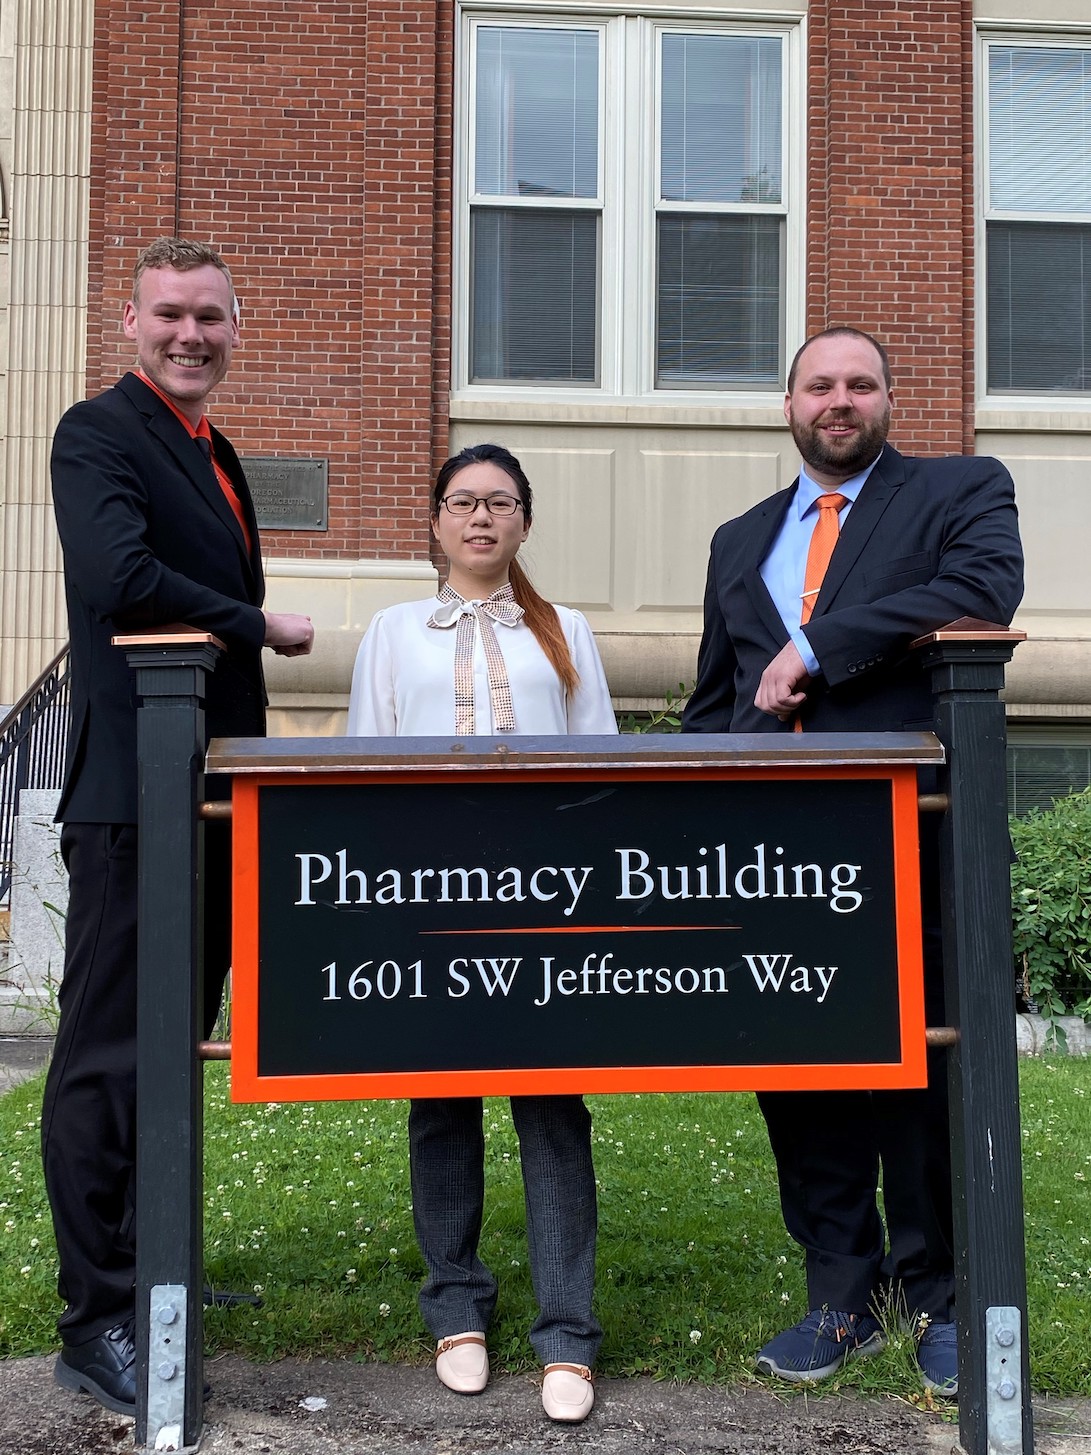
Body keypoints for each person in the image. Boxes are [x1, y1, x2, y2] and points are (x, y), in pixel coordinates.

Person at [682, 327, 1023, 1395]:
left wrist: (815, 646)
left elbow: (983, 589)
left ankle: (938, 1297)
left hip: (907, 834)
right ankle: (838, 1294)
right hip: (770, 854)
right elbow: (714, 700)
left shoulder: (959, 491)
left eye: (860, 384)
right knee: (797, 1065)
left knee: (919, 1066)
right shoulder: (738, 538)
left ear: (887, 399)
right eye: (818, 385)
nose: (839, 400)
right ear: (787, 404)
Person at [42, 238, 315, 1417]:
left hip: (206, 792)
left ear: (236, 327)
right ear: (130, 322)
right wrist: (258, 622)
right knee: (108, 1061)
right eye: (169, 314)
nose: (189, 334)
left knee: (171, 1048)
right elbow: (119, 579)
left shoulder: (216, 451)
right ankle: (95, 1316)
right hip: (130, 801)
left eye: (209, 316)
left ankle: (156, 1265)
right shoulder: (96, 433)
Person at [347, 442, 617, 1423]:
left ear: (523, 522)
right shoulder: (392, 631)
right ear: (435, 520)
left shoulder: (565, 630)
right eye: (462, 501)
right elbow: (365, 769)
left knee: (551, 1109)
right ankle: (455, 1309)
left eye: (499, 502)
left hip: (543, 901)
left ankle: (567, 1333)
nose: (479, 517)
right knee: (441, 1105)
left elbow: (600, 768)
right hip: (429, 898)